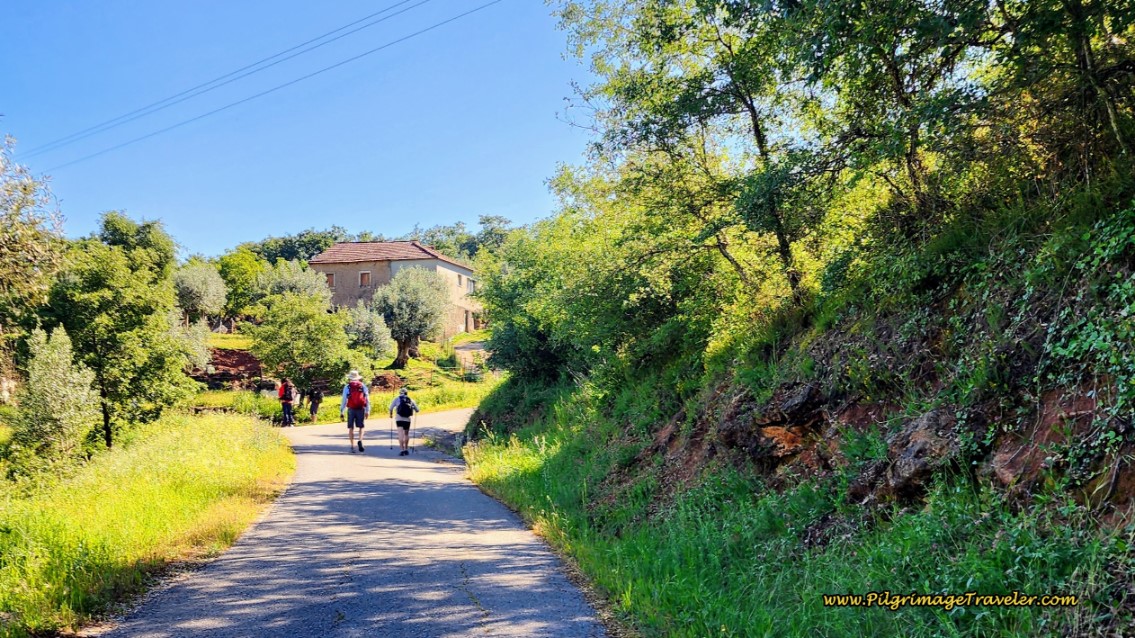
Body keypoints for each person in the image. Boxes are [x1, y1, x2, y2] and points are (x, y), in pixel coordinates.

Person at [340, 370, 369, 453]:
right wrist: (367, 410)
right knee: (361, 426)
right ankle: (360, 440)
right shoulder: (363, 386)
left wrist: (342, 411)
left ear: (350, 378)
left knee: (351, 428)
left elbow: (344, 400)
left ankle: (352, 446)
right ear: (358, 377)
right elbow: (367, 399)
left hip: (351, 409)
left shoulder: (347, 387)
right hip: (360, 408)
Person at [389, 387, 419, 456]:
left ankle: (402, 450)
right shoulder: (410, 399)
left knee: (400, 434)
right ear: (406, 393)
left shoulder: (397, 399)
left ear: (400, 393)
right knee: (406, 434)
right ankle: (406, 449)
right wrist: (413, 408)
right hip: (407, 419)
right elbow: (417, 410)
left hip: (399, 418)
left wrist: (391, 415)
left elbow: (390, 408)